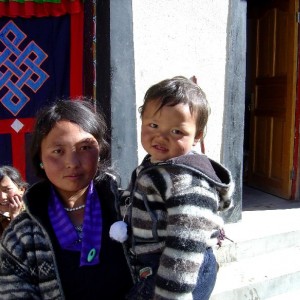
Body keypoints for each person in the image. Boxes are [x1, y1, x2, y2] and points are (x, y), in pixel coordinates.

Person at [0, 99, 133, 299]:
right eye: (58, 151)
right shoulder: (21, 236)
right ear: (40, 160)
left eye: (85, 148)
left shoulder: (132, 211)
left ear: (100, 151)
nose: (72, 163)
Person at [118, 76, 234, 300]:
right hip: (156, 264)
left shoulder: (188, 182)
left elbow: (186, 244)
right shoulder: (157, 164)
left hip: (180, 271)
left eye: (176, 132)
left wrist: (171, 294)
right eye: (153, 125)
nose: (160, 136)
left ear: (197, 136)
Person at [0, 165, 28, 237]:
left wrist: (15, 216)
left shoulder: (35, 214)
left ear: (21, 190)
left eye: (7, 189)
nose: (2, 197)